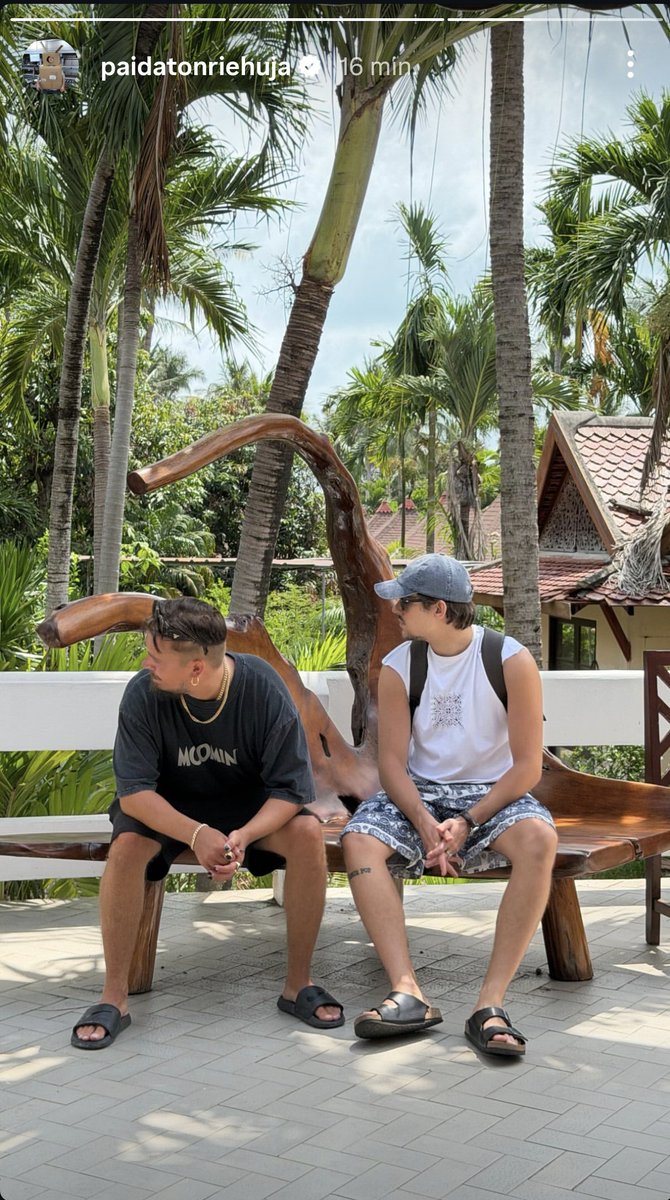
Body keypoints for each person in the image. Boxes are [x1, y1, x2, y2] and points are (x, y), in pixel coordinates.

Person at [71, 597, 343, 1049]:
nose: (146, 663)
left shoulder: (262, 689)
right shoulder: (143, 693)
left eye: (156, 658)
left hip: (247, 812)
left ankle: (298, 984)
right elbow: (135, 795)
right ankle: (113, 997)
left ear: (196, 669)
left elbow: (291, 791)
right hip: (166, 809)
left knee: (307, 832)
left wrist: (243, 835)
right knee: (126, 849)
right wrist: (196, 834)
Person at [342, 554, 557, 1057]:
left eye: (405, 602)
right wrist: (424, 820)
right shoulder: (400, 666)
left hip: (491, 795)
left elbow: (527, 767)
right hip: (419, 793)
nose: (394, 609)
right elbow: (392, 764)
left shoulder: (510, 660)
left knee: (539, 840)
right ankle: (407, 990)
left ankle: (490, 1005)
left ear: (438, 609)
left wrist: (467, 820)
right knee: (358, 840)